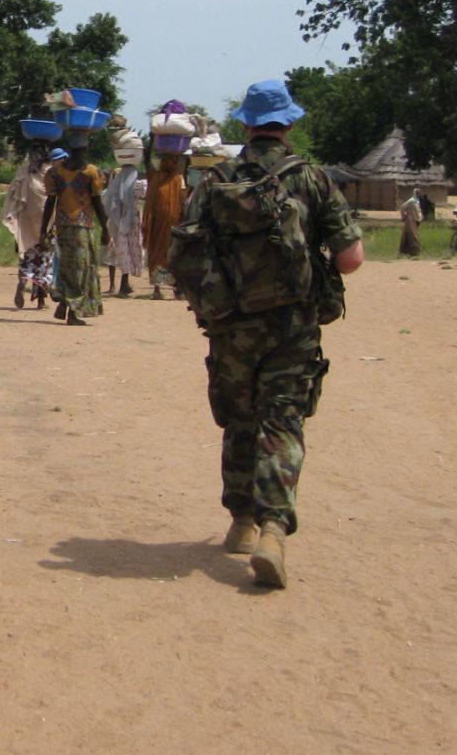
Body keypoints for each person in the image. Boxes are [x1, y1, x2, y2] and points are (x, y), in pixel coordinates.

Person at [179, 79, 364, 590]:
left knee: (239, 421)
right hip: (293, 327)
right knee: (281, 424)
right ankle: (274, 530)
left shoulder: (214, 179)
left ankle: (240, 523)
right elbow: (351, 260)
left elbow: (185, 252)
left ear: (245, 124)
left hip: (229, 325)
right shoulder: (313, 179)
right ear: (291, 123)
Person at [40, 144, 108, 325]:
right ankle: (73, 312)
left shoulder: (56, 173)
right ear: (83, 150)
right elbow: (98, 203)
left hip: (63, 226)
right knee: (82, 269)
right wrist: (106, 229)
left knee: (66, 267)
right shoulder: (91, 172)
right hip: (82, 227)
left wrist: (43, 229)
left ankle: (64, 301)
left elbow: (50, 203)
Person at [2, 144, 53, 308]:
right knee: (45, 258)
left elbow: (13, 195)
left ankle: (23, 280)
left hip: (26, 219)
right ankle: (41, 301)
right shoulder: (50, 171)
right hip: (47, 218)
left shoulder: (24, 171)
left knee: (28, 255)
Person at [141, 153, 187, 299]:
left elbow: (183, 201)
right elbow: (184, 201)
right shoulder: (157, 178)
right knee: (160, 254)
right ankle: (158, 289)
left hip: (172, 225)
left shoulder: (177, 179)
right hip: (161, 225)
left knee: (172, 255)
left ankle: (174, 289)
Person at [104, 163, 147, 296]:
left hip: (119, 223)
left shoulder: (114, 188)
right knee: (126, 251)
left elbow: (108, 202)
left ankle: (124, 283)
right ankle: (123, 285)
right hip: (130, 222)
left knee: (123, 251)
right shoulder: (136, 186)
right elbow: (144, 191)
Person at [397, 190, 423, 256]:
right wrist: (404, 216)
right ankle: (412, 252)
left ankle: (413, 253)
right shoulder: (411, 201)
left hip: (416, 221)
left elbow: (418, 212)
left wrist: (420, 219)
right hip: (410, 221)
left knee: (414, 235)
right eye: (417, 193)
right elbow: (402, 208)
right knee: (412, 236)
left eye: (419, 193)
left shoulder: (417, 201)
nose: (418, 195)